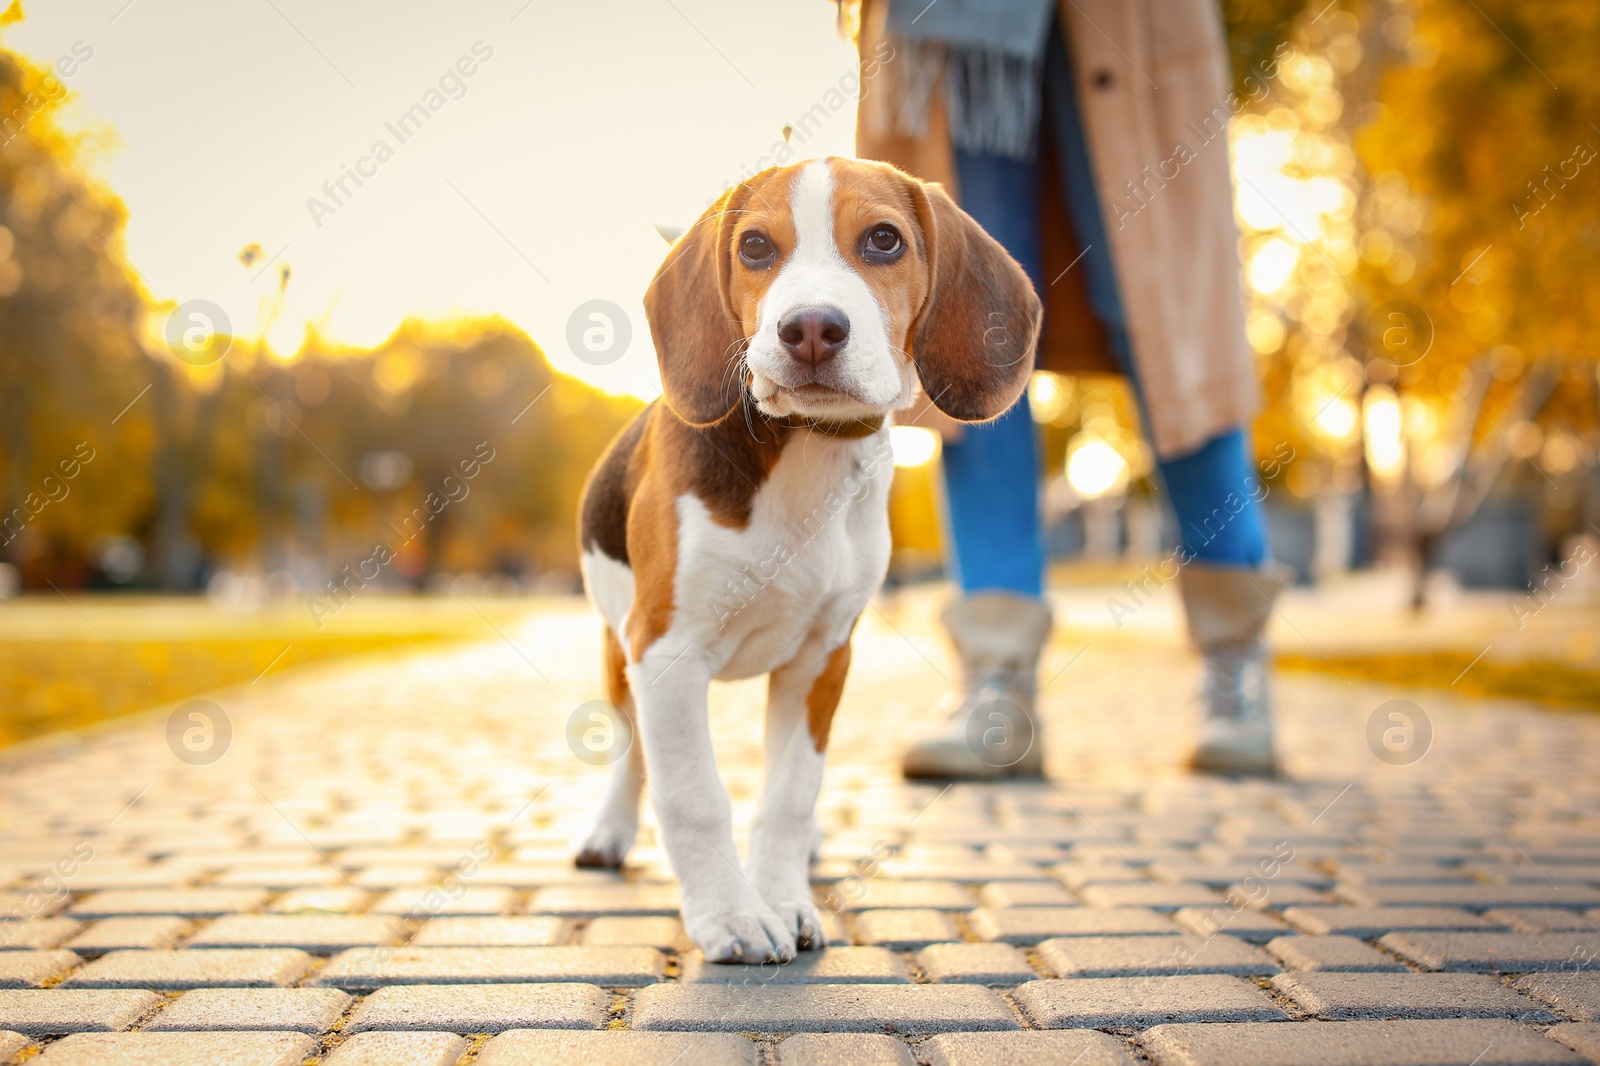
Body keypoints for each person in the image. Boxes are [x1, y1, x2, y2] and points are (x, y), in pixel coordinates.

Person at [852, 0, 1290, 776]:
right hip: (950, 31)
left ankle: (1236, 663)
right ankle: (999, 682)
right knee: (966, 334)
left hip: (1137, 24)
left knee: (1173, 329)